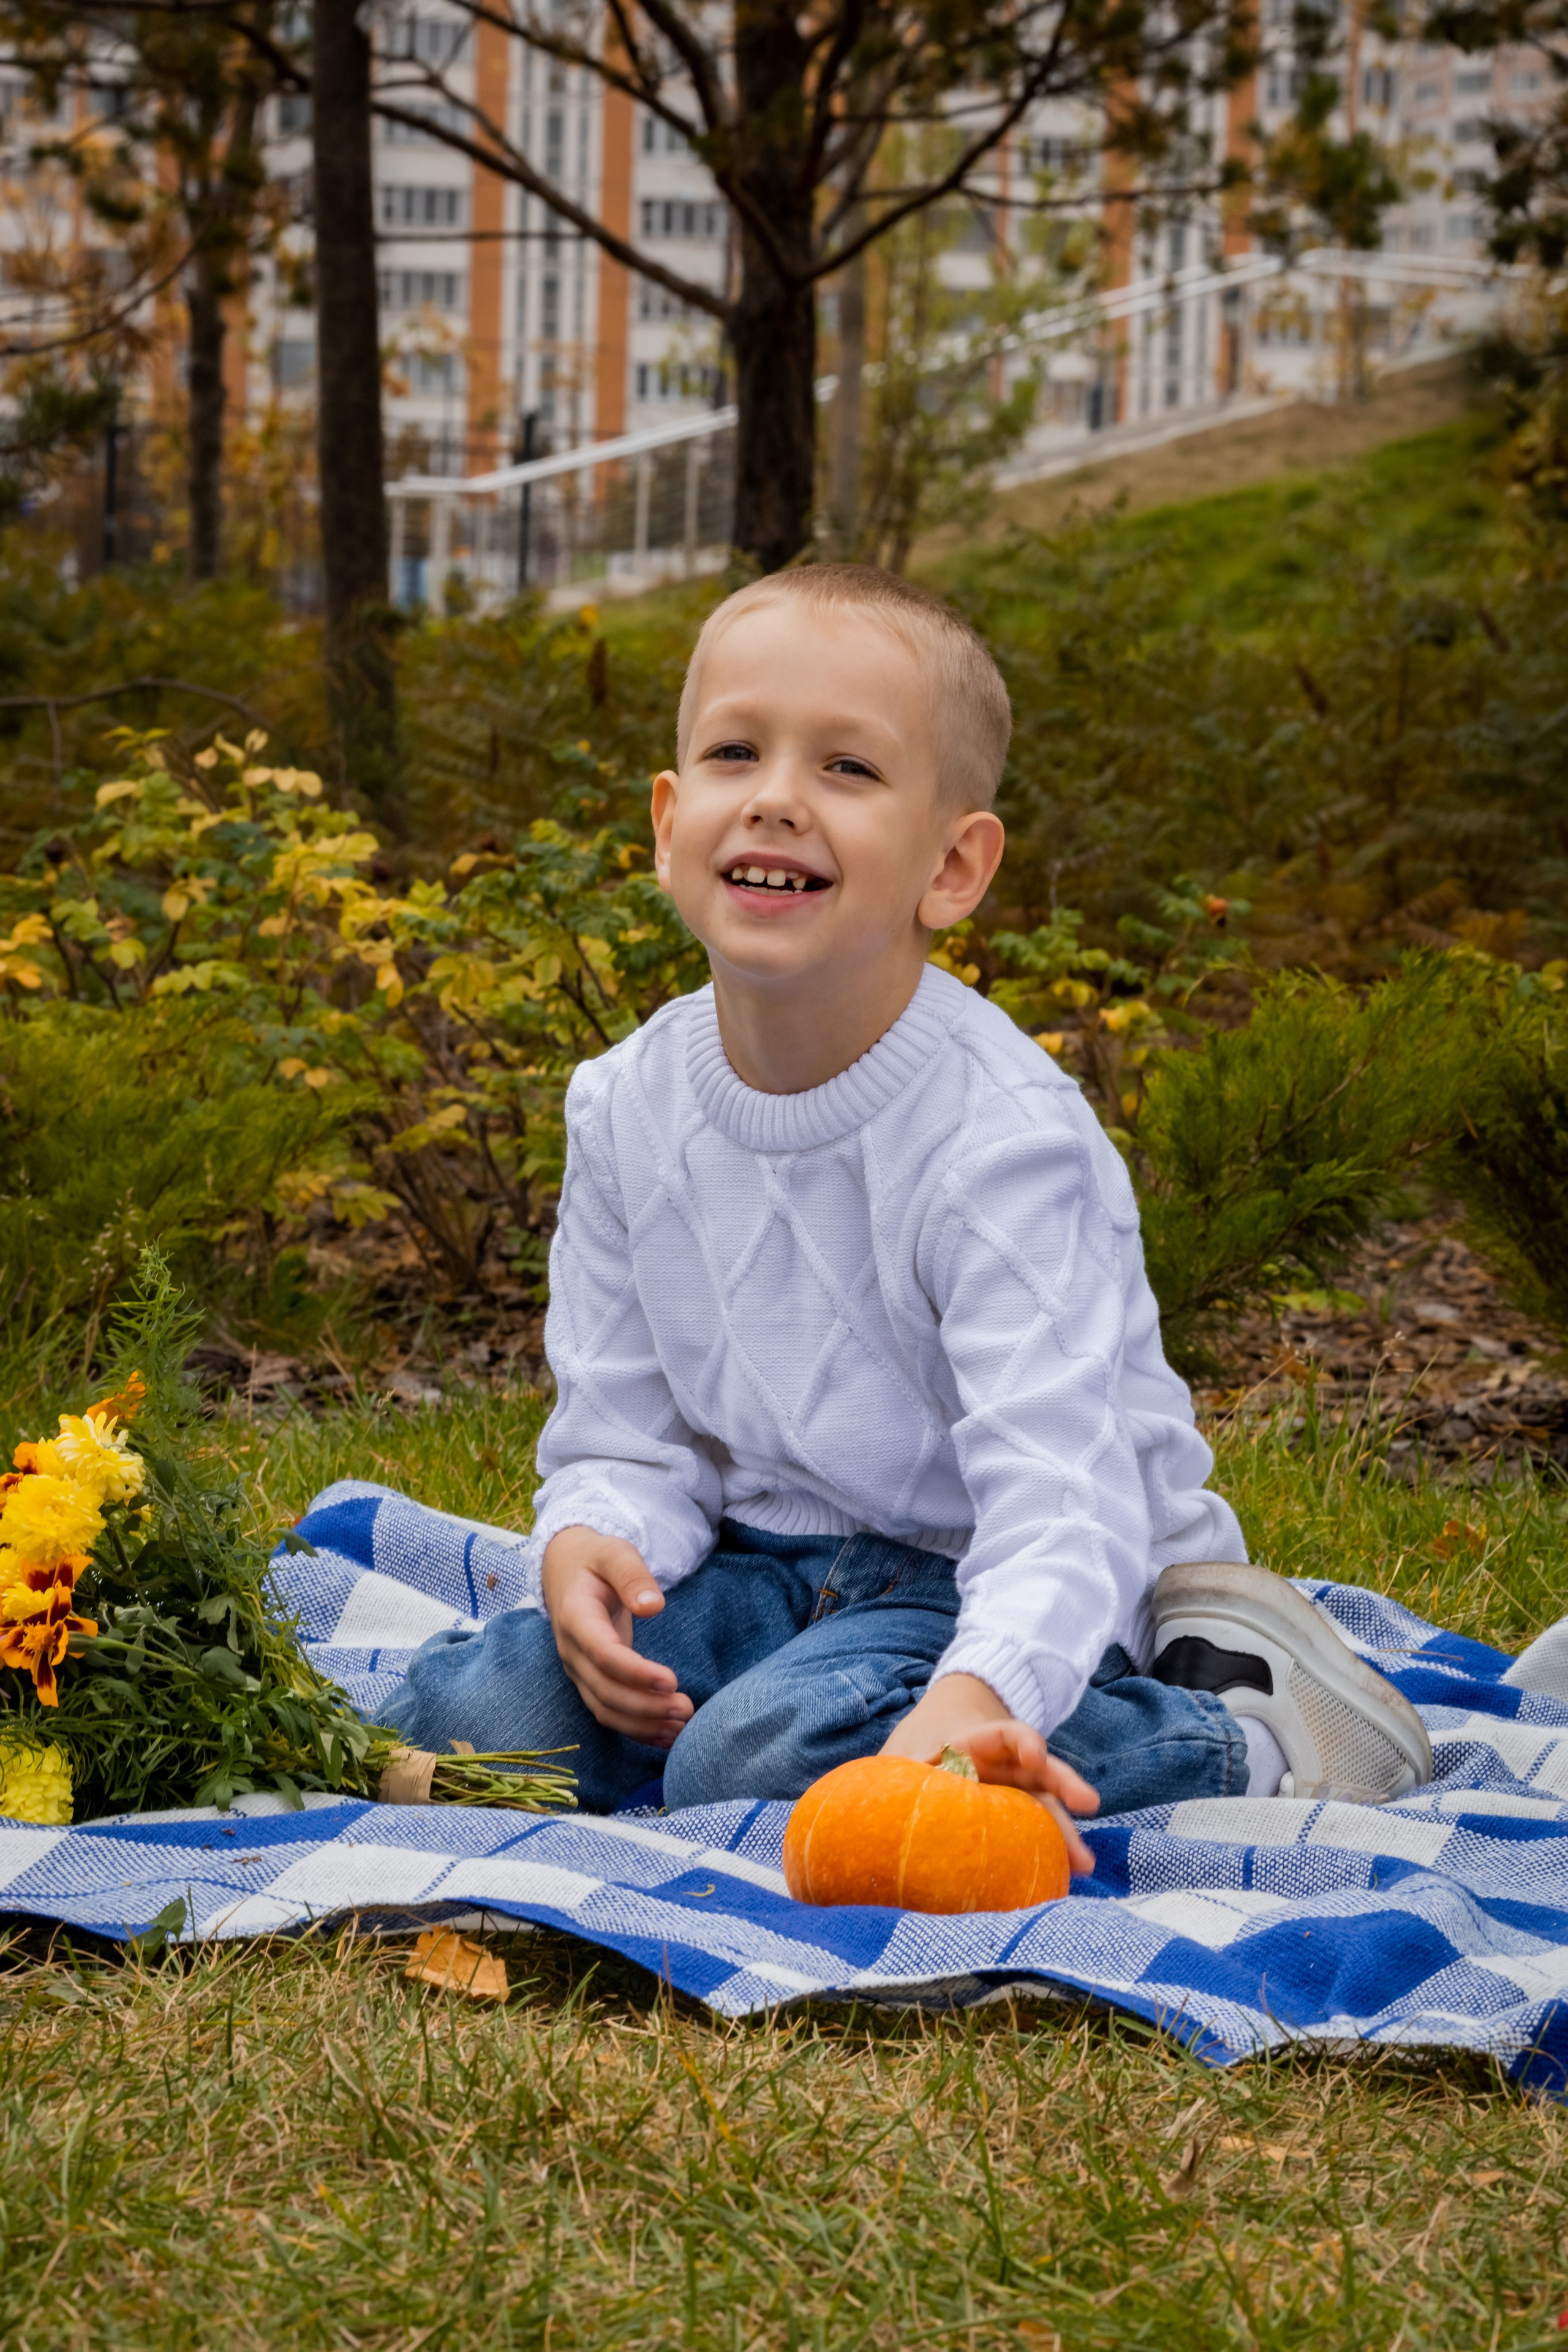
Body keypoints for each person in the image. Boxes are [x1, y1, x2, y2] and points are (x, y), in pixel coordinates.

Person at [380, 565, 1430, 1865]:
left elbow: (1063, 1500)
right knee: (468, 1721)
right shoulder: (625, 1105)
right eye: (733, 752)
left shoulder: (998, 1138)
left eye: (848, 768)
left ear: (952, 866)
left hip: (1009, 1574)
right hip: (762, 1561)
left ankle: (1240, 1729)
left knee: (755, 1763)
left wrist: (980, 1693)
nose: (776, 796)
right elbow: (625, 1430)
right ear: (667, 821)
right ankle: (753, 1713)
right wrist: (595, 1540)